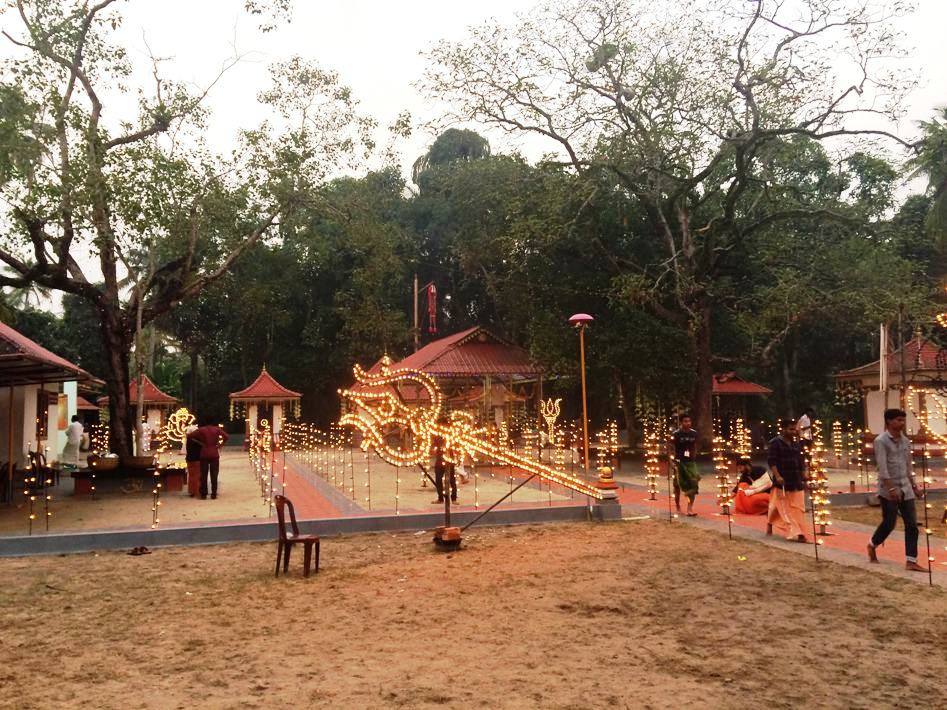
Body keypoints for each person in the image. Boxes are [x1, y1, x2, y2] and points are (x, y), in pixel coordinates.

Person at [867, 408, 927, 572]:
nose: (901, 423)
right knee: (889, 523)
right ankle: (872, 544)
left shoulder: (906, 441)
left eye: (903, 420)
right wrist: (891, 487)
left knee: (912, 524)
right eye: (898, 420)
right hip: (888, 489)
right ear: (889, 421)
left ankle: (911, 560)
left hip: (906, 488)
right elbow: (882, 467)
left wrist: (914, 486)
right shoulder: (881, 441)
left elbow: (908, 466)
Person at [766, 419, 808, 542]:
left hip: (796, 480)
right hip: (782, 481)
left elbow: (800, 460)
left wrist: (804, 474)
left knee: (798, 508)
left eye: (795, 429)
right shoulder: (775, 443)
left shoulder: (796, 444)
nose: (794, 431)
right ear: (783, 429)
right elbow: (771, 461)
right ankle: (798, 533)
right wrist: (777, 476)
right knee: (783, 508)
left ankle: (800, 531)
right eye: (791, 429)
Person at [187, 418, 229, 500]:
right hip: (214, 453)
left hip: (204, 453)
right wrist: (220, 445)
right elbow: (226, 436)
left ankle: (204, 494)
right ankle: (213, 494)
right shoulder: (217, 429)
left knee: (203, 475)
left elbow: (190, 436)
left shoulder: (201, 430)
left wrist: (200, 442)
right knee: (214, 475)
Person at [671, 413, 700, 516]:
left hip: (690, 462)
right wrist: (672, 462)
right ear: (681, 422)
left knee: (694, 483)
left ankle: (690, 508)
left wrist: (694, 456)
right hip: (679, 462)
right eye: (685, 421)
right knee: (677, 485)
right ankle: (678, 506)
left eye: (689, 421)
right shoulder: (676, 434)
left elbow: (695, 446)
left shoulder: (694, 433)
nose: (688, 423)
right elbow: (671, 448)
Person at [431, 435, 457, 506]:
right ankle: (440, 498)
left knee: (452, 480)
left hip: (449, 461)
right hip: (440, 460)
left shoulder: (451, 436)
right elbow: (433, 446)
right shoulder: (437, 436)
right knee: (438, 479)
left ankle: (453, 498)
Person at [184, 423, 201, 498]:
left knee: (191, 476)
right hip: (197, 459)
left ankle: (191, 491)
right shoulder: (198, 440)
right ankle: (197, 491)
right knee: (198, 475)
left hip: (189, 459)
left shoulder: (188, 440)